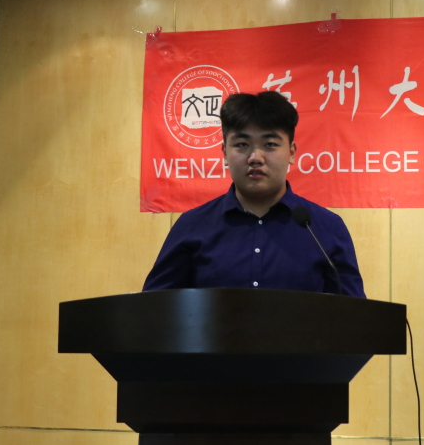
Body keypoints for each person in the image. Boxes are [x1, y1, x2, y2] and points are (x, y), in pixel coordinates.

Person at [143, 91, 365, 297]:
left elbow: (354, 315)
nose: (255, 157)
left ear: (291, 152)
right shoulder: (192, 226)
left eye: (270, 144)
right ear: (224, 153)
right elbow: (153, 308)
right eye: (242, 144)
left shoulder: (326, 228)